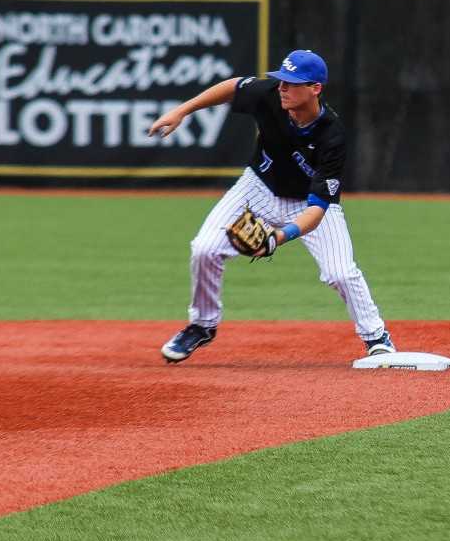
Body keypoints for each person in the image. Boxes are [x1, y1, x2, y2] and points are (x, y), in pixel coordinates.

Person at [148, 48, 393, 362]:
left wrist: (277, 237)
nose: (283, 88)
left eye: (291, 83)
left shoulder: (333, 136)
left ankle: (376, 337)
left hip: (309, 204)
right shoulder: (270, 95)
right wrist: (183, 110)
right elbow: (234, 87)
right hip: (258, 187)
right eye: (281, 81)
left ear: (315, 88)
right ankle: (202, 325)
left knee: (341, 273)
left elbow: (318, 209)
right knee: (204, 249)